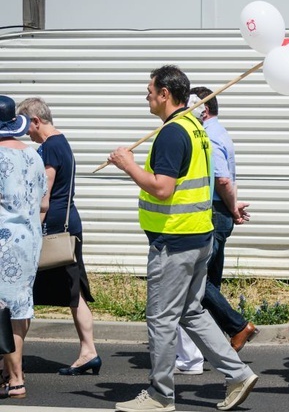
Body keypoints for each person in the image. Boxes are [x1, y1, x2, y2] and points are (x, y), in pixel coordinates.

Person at [107, 66, 257, 412]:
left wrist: (126, 164)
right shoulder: (195, 127)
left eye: (149, 90)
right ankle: (237, 374)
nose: (146, 96)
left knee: (161, 318)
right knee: (191, 311)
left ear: (164, 94)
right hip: (196, 236)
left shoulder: (174, 133)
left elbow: (163, 188)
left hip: (174, 241)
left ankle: (161, 396)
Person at [174, 87, 256, 374]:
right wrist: (232, 207)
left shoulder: (208, 134)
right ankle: (211, 348)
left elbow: (221, 180)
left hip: (213, 213)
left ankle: (237, 326)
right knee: (210, 283)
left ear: (203, 109)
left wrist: (232, 207)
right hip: (221, 212)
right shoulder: (221, 132)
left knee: (197, 282)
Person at [16, 97, 101, 375]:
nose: (26, 132)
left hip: (55, 230)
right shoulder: (61, 142)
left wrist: (33, 228)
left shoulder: (50, 148)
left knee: (27, 291)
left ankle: (13, 360)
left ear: (36, 121)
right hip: (67, 227)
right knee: (72, 292)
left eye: (27, 126)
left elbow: (45, 194)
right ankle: (87, 351)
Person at [0, 95, 48, 399]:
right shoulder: (34, 155)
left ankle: (15, 377)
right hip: (30, 238)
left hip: (3, 239)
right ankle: (9, 371)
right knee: (19, 306)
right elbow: (44, 201)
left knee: (3, 309)